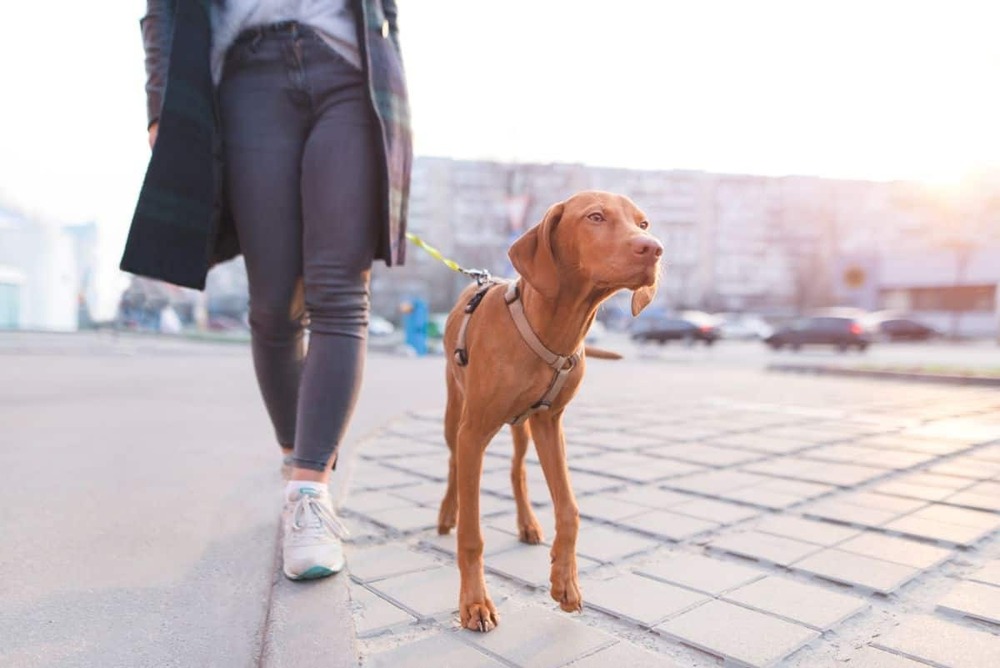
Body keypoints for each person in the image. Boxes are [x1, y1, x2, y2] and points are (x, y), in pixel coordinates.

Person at [120, 0, 412, 580]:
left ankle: (309, 492)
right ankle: (294, 461)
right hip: (246, 77)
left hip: (350, 70)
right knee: (273, 306)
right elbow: (162, 10)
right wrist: (160, 104)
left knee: (339, 289)